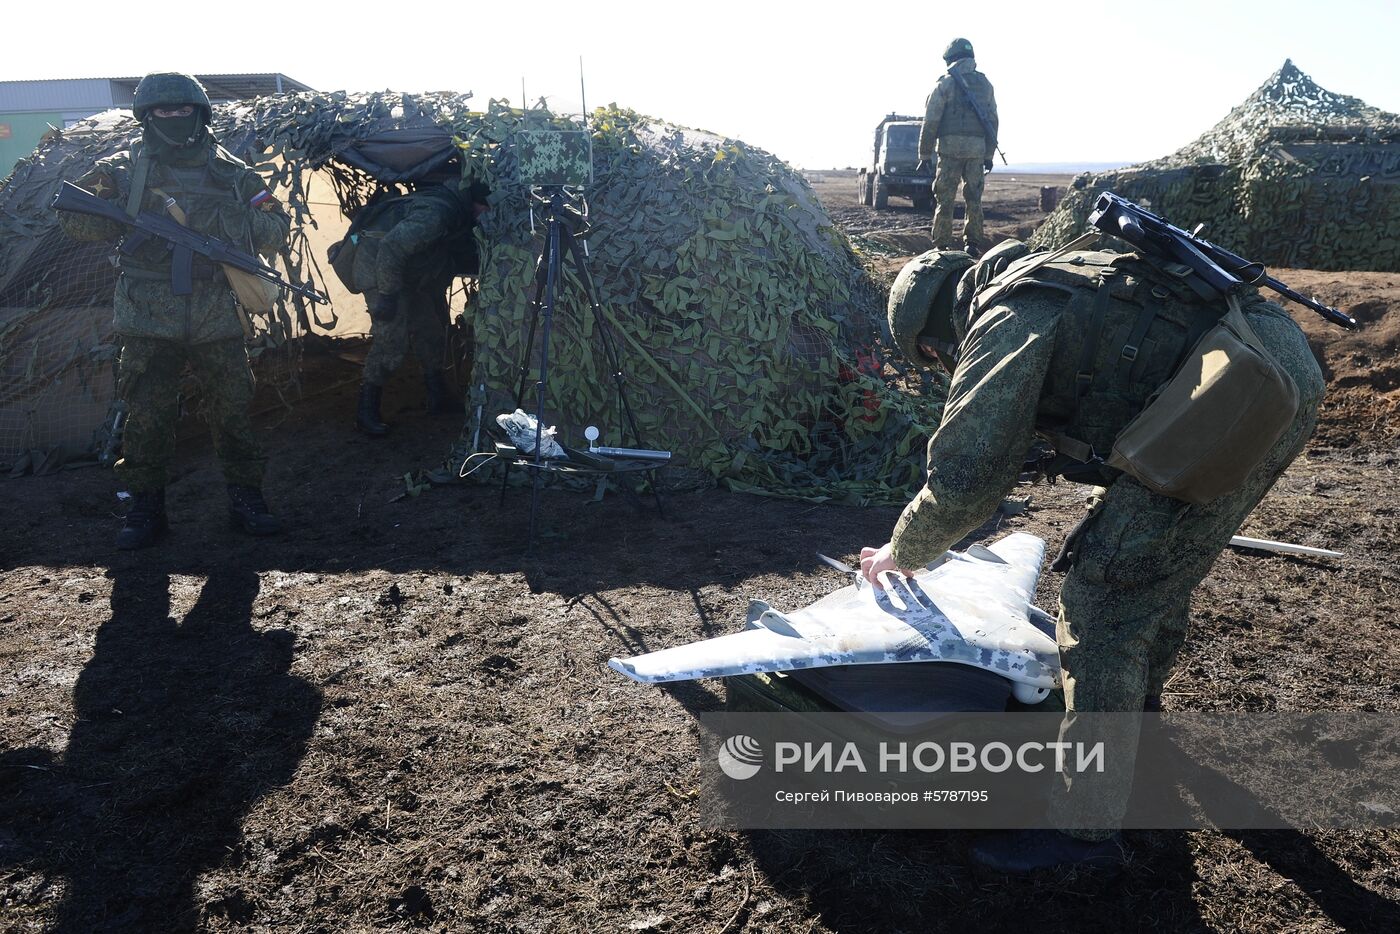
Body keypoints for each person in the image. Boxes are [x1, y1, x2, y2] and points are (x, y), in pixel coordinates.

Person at [866, 239, 1325, 872]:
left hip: (1239, 382)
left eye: (930, 352)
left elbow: (969, 475)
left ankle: (1083, 832)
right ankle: (1139, 729)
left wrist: (904, 549)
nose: (939, 362)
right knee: (1157, 568)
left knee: (1102, 605)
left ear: (936, 322)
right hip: (1274, 363)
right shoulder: (1054, 279)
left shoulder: (1008, 315)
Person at [56, 73, 290, 550]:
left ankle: (247, 499)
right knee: (147, 415)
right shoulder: (121, 168)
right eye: (163, 111)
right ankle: (145, 507)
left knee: (233, 413)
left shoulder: (232, 172)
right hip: (146, 315)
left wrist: (218, 220)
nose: (175, 119)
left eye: (184, 110)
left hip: (215, 313)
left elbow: (275, 230)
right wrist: (121, 208)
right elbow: (73, 221)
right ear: (146, 117)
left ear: (200, 114)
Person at [352, 176, 482, 436]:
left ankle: (438, 396)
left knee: (429, 331)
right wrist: (387, 296)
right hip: (381, 271)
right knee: (391, 340)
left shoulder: (454, 209)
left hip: (408, 274)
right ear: (476, 203)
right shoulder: (438, 213)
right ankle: (366, 410)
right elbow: (391, 247)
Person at [918, 38, 998, 256]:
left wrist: (924, 154)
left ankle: (942, 245)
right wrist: (989, 153)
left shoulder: (944, 84)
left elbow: (931, 121)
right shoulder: (985, 84)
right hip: (976, 151)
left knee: (945, 199)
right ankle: (972, 243)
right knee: (974, 198)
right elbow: (993, 120)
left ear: (950, 59)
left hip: (949, 150)